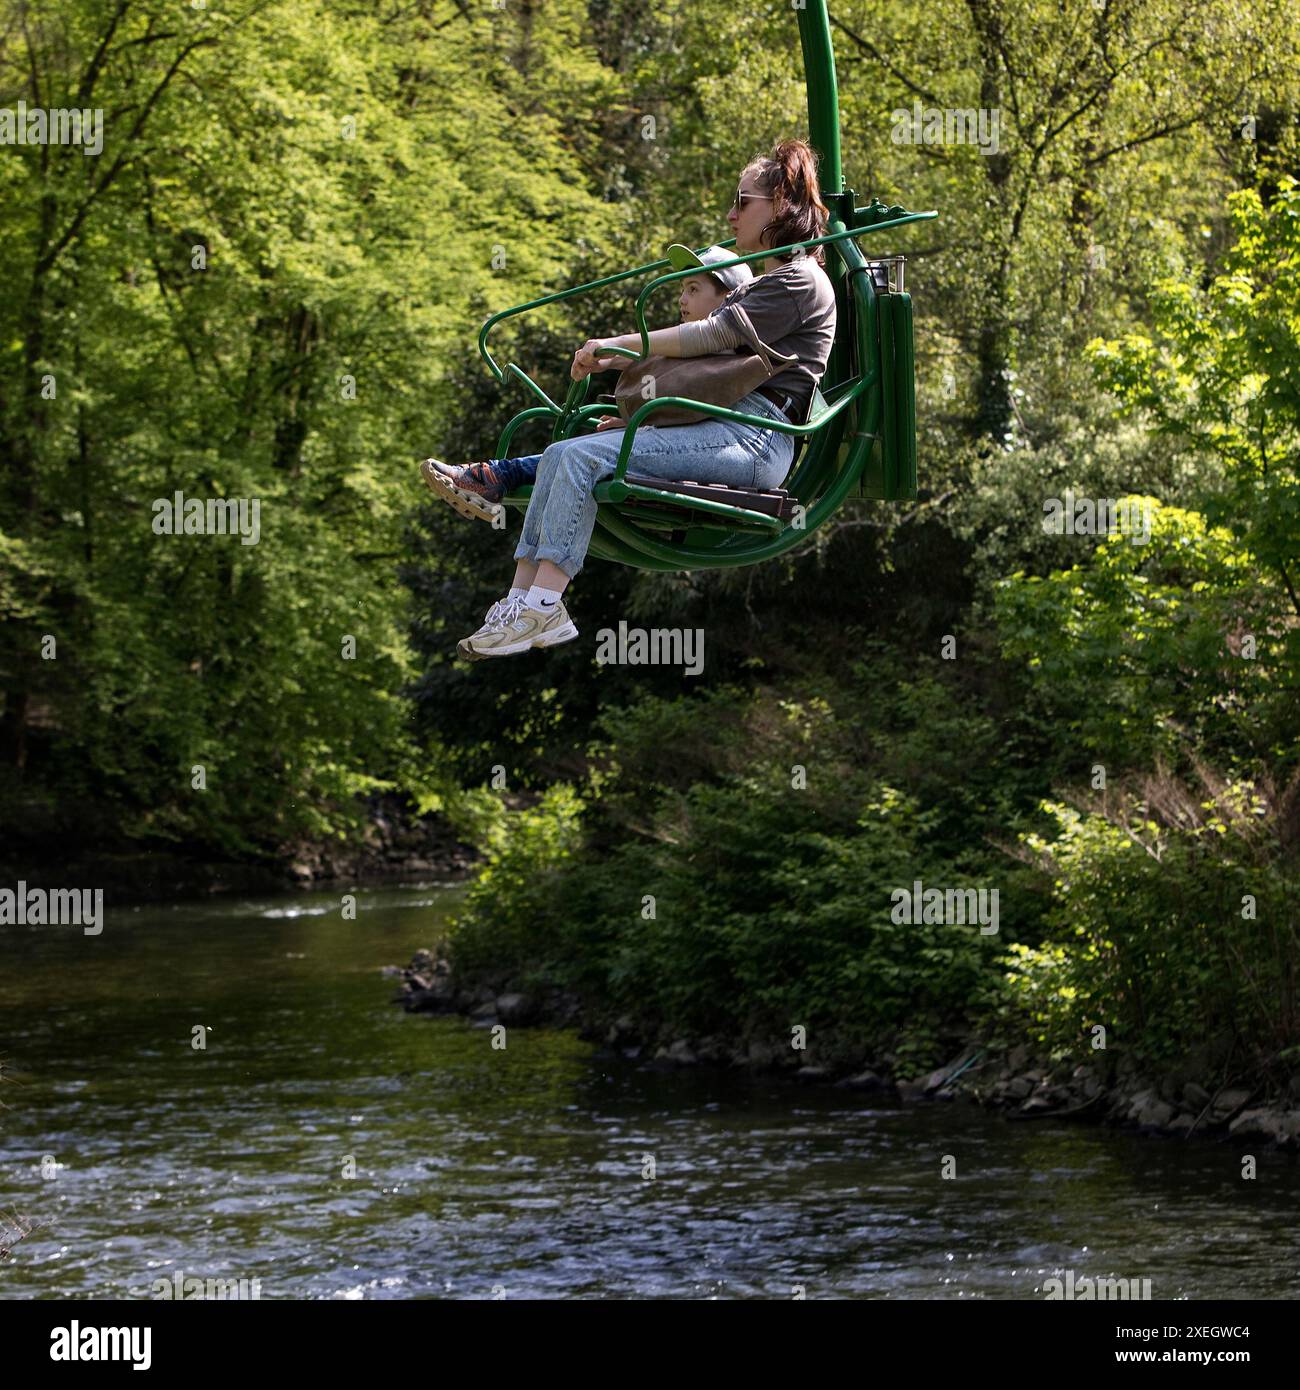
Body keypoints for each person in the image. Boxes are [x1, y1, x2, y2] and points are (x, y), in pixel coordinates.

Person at [432, 137, 837, 661]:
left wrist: (619, 345)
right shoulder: (764, 285)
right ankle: (519, 602)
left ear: (780, 204)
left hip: (754, 439)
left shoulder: (800, 282)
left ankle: (546, 603)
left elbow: (709, 339)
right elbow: (704, 366)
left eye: (743, 202)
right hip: (722, 424)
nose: (731, 215)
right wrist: (623, 364)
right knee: (561, 454)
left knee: (579, 458)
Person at [420, 242, 754, 524]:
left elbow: (701, 411)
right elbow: (667, 374)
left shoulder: (726, 359)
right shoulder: (694, 352)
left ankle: (498, 477)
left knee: (570, 456)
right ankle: (498, 479)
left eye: (693, 289)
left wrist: (638, 419)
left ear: (726, 299)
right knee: (568, 451)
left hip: (702, 454)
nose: (682, 299)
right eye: (682, 289)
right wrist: (609, 363)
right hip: (665, 442)